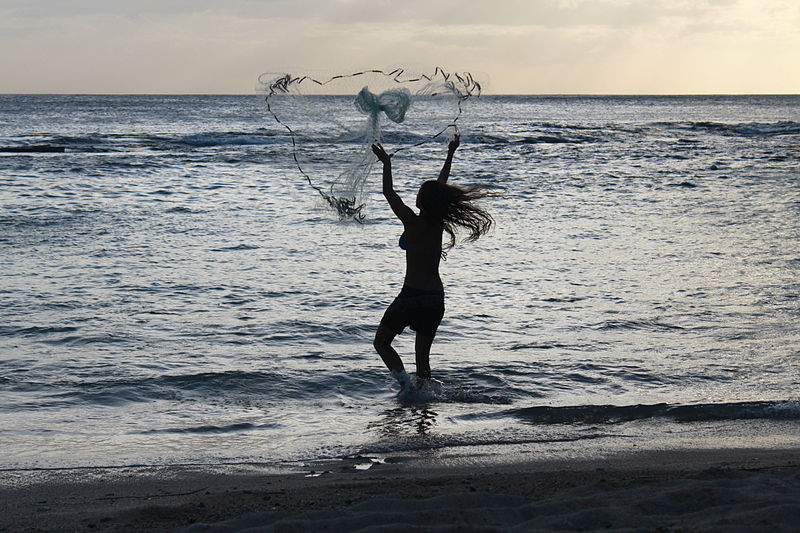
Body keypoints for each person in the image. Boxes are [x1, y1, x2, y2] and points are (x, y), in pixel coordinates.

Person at [371, 135, 493, 392]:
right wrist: (450, 153)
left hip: (412, 295)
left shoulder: (411, 223)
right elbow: (441, 184)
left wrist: (386, 164)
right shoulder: (437, 224)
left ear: (421, 201)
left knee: (381, 343)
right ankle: (424, 413)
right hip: (435, 298)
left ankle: (406, 388)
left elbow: (388, 192)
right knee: (423, 363)